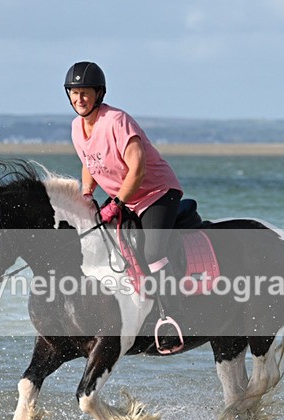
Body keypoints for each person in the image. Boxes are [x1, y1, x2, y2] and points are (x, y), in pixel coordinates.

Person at [64, 61, 184, 354]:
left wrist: (116, 203)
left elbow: (138, 169)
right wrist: (88, 192)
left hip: (156, 192)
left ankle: (172, 316)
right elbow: (89, 161)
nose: (80, 99)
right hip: (125, 197)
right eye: (74, 93)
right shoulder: (77, 128)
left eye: (85, 93)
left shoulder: (117, 121)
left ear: (99, 94)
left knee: (152, 251)